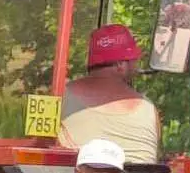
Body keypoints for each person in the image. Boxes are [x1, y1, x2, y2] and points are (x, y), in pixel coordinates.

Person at [59, 24, 160, 164]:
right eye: (133, 60)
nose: (136, 66)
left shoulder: (60, 97)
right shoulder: (148, 109)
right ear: (120, 65)